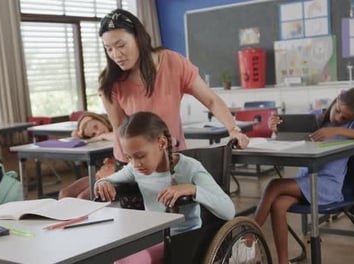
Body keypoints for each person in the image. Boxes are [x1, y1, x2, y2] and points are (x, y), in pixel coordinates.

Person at [97, 8, 249, 169]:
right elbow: (120, 128)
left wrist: (233, 129)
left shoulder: (173, 63)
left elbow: (211, 100)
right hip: (132, 162)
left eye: (121, 45)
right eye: (109, 48)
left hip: (173, 157)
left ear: (138, 38)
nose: (116, 55)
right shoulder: (109, 81)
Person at [248, 87, 354, 264]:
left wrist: (337, 130)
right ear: (337, 98)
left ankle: (248, 241)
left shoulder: (352, 125)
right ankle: (283, 261)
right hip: (306, 180)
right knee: (279, 204)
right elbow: (292, 139)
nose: (338, 118)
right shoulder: (316, 117)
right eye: (338, 110)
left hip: (327, 187)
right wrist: (277, 128)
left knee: (274, 185)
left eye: (345, 117)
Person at [94, 111, 235, 263]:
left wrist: (192, 189)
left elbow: (229, 211)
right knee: (106, 253)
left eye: (140, 156)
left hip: (184, 240)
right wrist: (103, 184)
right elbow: (106, 180)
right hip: (150, 235)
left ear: (161, 143)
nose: (135, 164)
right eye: (129, 157)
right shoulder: (134, 168)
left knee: (127, 260)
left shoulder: (190, 168)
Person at [58, 112, 114, 199]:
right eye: (93, 134)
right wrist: (78, 135)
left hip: (116, 176)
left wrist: (99, 136)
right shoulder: (101, 139)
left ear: (99, 119)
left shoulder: (116, 125)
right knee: (64, 194)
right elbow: (74, 137)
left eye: (96, 126)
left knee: (82, 198)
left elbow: (119, 136)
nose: (98, 132)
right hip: (101, 175)